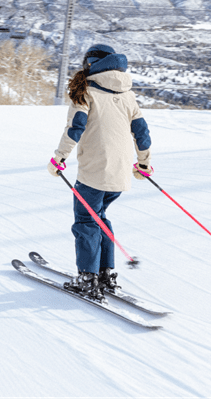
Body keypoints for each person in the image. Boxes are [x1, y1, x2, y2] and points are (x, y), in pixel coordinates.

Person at [47, 44, 153, 300]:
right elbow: (142, 133)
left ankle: (87, 278)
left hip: (94, 171)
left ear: (90, 64)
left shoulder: (86, 91)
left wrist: (59, 158)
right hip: (120, 172)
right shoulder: (128, 94)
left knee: (86, 221)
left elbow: (76, 128)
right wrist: (144, 163)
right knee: (100, 216)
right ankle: (105, 274)